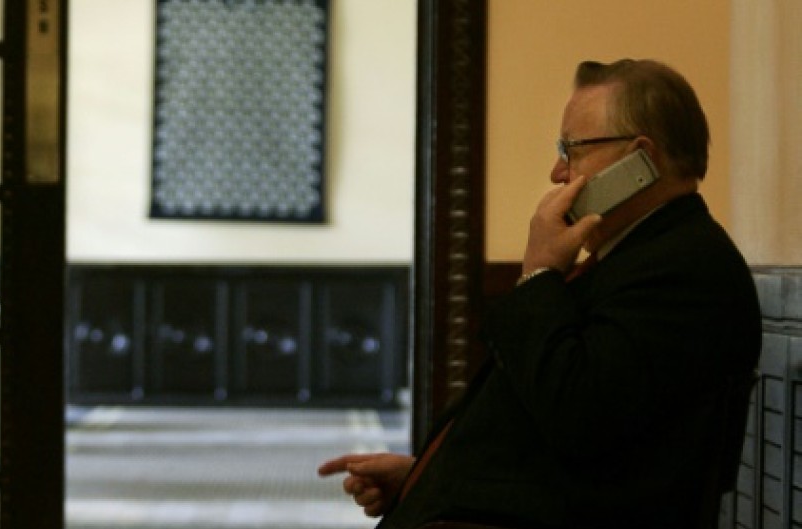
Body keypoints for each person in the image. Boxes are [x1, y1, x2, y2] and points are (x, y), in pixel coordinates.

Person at [318, 59, 762, 529]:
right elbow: (578, 442)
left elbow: (579, 417)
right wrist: (427, 479)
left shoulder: (683, 269)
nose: (557, 172)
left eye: (572, 150)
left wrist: (539, 273)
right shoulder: (639, 254)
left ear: (641, 161)